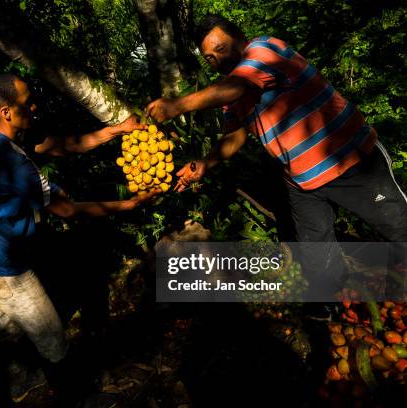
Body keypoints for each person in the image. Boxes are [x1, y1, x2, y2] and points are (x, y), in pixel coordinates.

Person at [145, 15, 407, 305]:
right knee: (316, 251)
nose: (217, 59)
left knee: (398, 225)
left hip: (349, 157)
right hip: (302, 179)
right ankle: (328, 305)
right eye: (209, 57)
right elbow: (234, 136)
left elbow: (241, 85)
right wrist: (204, 164)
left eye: (221, 48)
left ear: (240, 38)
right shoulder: (232, 93)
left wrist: (178, 105)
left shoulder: (265, 50)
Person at [0, 73, 157, 403]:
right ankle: (76, 395)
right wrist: (130, 203)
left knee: (5, 326)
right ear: (7, 111)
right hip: (6, 267)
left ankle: (20, 383)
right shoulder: (14, 164)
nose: (34, 106)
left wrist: (115, 130)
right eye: (27, 102)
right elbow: (69, 211)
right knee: (52, 336)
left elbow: (58, 146)